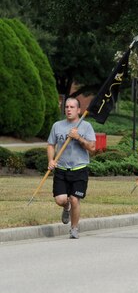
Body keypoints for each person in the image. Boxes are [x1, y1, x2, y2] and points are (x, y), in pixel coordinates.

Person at [47, 98, 96, 239]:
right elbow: (51, 144)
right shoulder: (57, 126)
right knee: (60, 200)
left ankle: (74, 228)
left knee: (75, 199)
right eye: (67, 107)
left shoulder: (86, 126)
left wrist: (78, 137)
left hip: (79, 169)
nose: (68, 109)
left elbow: (92, 148)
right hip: (61, 169)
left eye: (72, 107)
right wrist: (51, 160)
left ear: (79, 110)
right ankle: (66, 207)